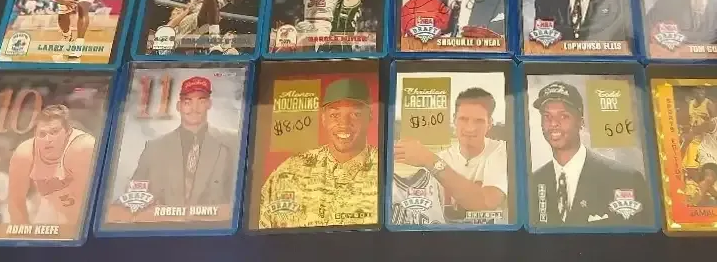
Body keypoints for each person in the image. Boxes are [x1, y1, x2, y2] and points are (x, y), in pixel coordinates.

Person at [257, 78, 378, 228]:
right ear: (323, 118)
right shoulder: (290, 172)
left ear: (370, 116)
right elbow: (261, 232)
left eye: (355, 114)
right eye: (335, 115)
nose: (344, 124)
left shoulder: (387, 171)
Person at [529, 82, 652, 226]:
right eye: (547, 116)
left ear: (581, 122)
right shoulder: (533, 183)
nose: (553, 123)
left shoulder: (625, 179)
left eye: (563, 116)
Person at [393, 87, 508, 223]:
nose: (470, 128)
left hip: (491, 234)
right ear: (454, 120)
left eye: (479, 121)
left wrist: (429, 159)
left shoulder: (502, 150)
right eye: (463, 119)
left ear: (489, 123)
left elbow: (486, 202)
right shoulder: (442, 157)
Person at [127, 77, 238, 208]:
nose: (194, 108)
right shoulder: (155, 148)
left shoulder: (232, 141)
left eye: (201, 101)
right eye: (187, 102)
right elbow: (132, 198)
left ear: (209, 104)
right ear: (178, 106)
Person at [6, 105, 95, 225]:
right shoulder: (25, 154)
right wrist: (22, 233)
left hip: (85, 214)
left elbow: (91, 200)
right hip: (52, 207)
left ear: (68, 132)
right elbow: (15, 202)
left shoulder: (83, 148)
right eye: (42, 134)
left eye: (54, 132)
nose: (48, 139)